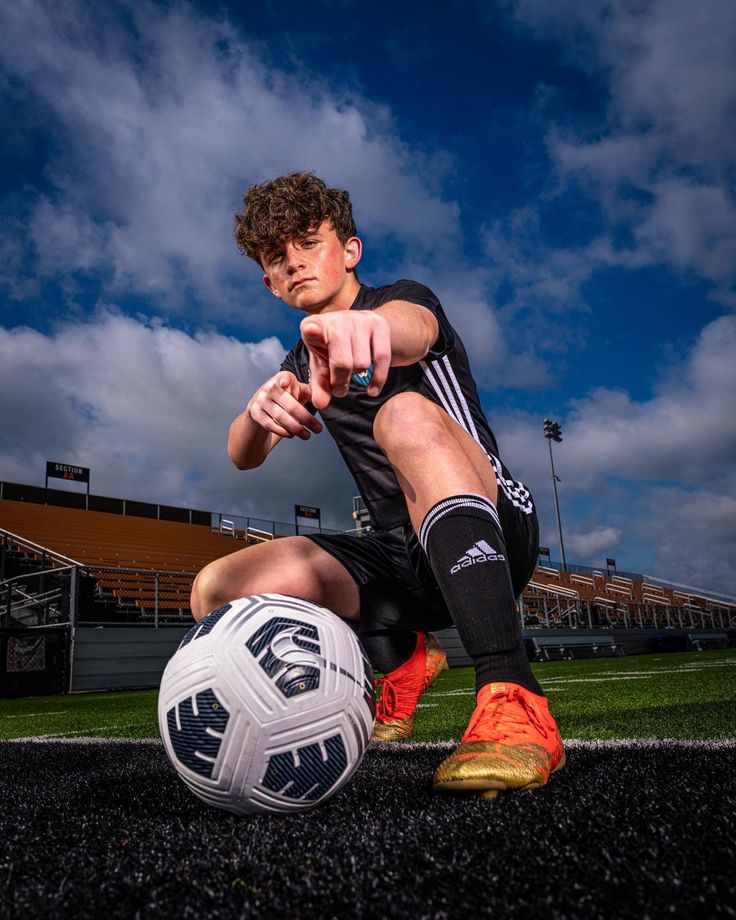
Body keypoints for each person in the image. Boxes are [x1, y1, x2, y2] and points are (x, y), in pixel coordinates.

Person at [190, 172, 565, 798]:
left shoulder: (403, 301)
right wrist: (256, 415)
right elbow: (241, 457)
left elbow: (411, 325)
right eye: (277, 258)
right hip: (400, 555)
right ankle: (402, 659)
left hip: (493, 520)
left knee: (405, 414)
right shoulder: (296, 365)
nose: (294, 263)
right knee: (217, 590)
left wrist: (372, 331)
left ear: (351, 251)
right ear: (268, 281)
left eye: (308, 243)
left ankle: (513, 690)